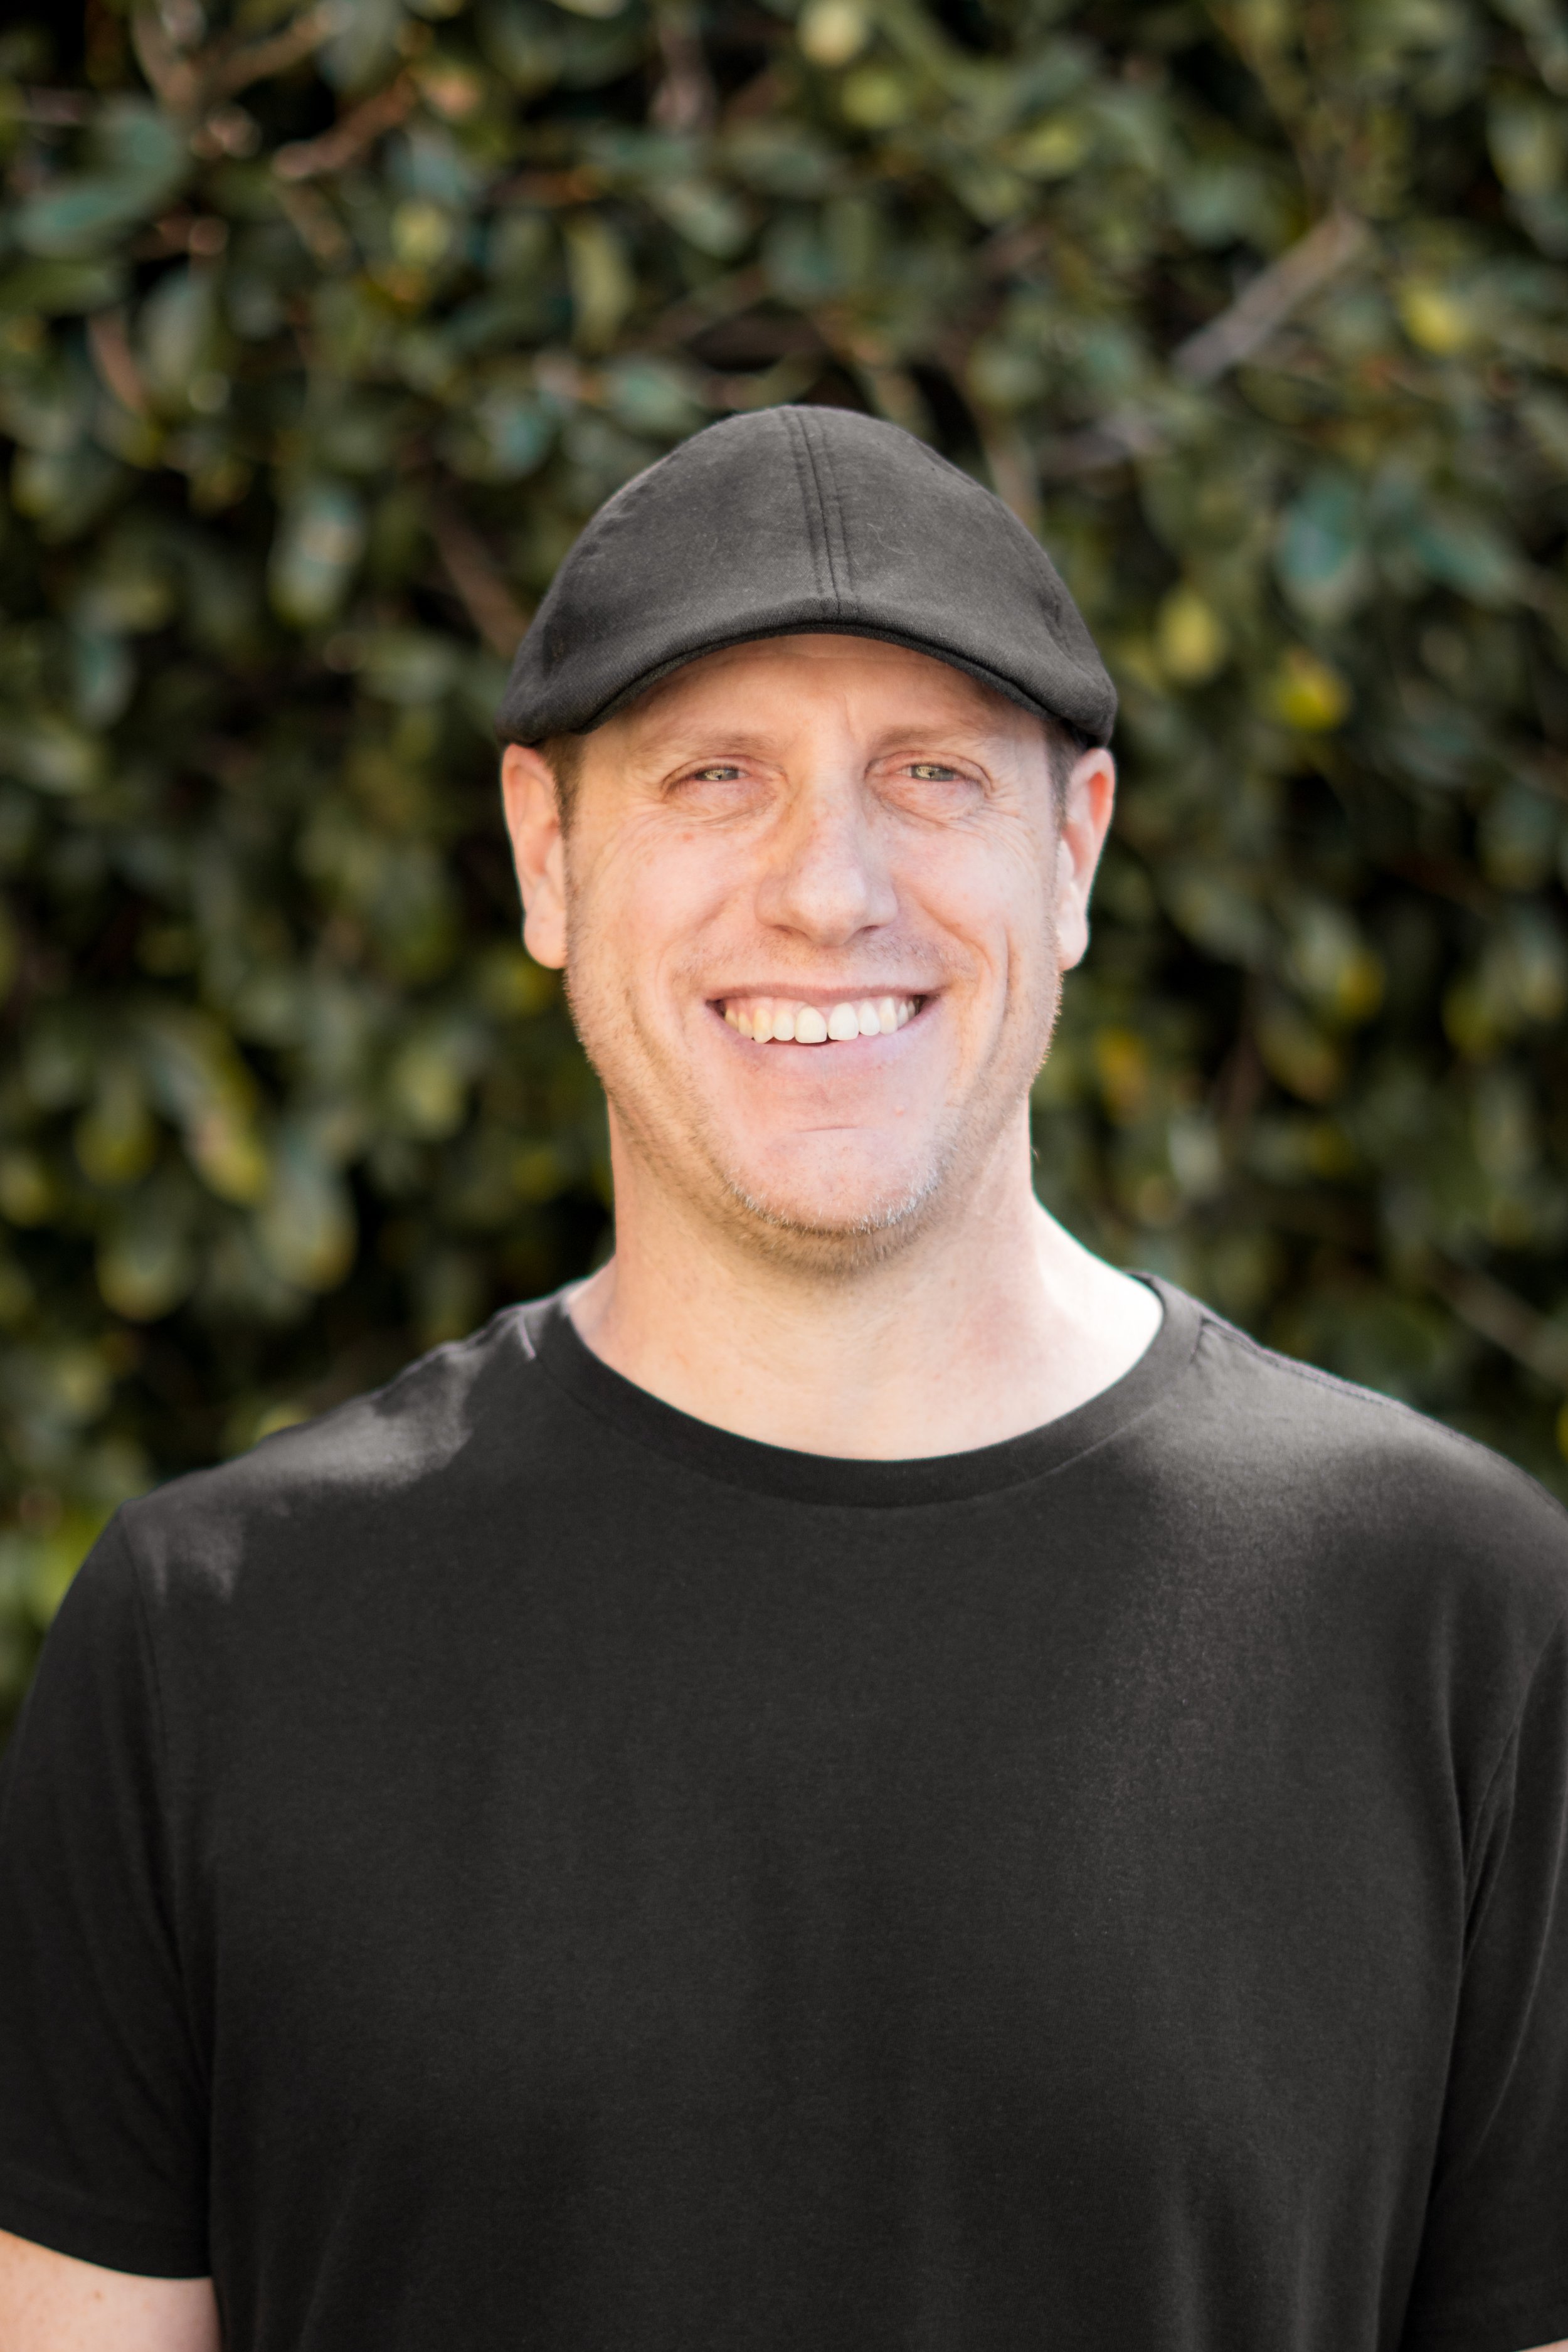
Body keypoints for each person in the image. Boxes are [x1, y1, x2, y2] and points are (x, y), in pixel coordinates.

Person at [0, 403, 1565, 2352]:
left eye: (926, 775)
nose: (827, 891)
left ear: (1071, 849)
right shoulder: (210, 1638)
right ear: (543, 853)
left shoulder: (1448, 1613)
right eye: (713, 778)